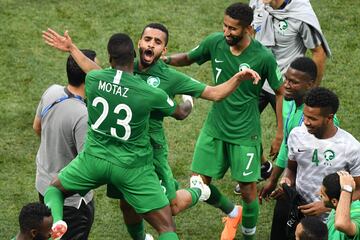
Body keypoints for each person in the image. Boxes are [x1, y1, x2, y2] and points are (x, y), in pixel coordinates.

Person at [43, 24, 260, 240]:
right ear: (138, 43)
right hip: (127, 156)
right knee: (127, 207)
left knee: (171, 208)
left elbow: (214, 93)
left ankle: (199, 191)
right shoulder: (124, 70)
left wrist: (224, 85)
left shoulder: (170, 77)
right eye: (147, 39)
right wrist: (72, 48)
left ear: (164, 50)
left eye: (157, 42)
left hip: (151, 154)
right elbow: (94, 70)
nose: (151, 44)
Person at [164, 3, 284, 239]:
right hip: (214, 128)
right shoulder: (215, 42)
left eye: (233, 29)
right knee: (198, 183)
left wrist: (280, 133)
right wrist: (163, 59)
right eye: (225, 26)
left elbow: (280, 91)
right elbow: (188, 58)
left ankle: (248, 235)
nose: (227, 32)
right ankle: (231, 211)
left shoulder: (263, 57)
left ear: (248, 28)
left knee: (249, 192)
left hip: (245, 134)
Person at [271, 87, 360, 239]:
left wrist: (328, 206)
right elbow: (292, 169)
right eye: (305, 116)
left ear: (329, 118)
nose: (306, 122)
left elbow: (358, 189)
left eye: (313, 118)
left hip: (328, 222)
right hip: (298, 211)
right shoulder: (296, 135)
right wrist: (287, 180)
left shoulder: (351, 148)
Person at [33, 49, 97, 240]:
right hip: (72, 201)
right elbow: (86, 164)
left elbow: (37, 127)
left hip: (43, 187)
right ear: (88, 78)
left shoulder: (51, 91)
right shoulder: (83, 114)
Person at [321, 171, 360, 240]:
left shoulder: (357, 214)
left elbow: (341, 224)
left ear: (334, 201)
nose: (319, 194)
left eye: (323, 195)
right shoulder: (336, 208)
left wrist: (347, 188)